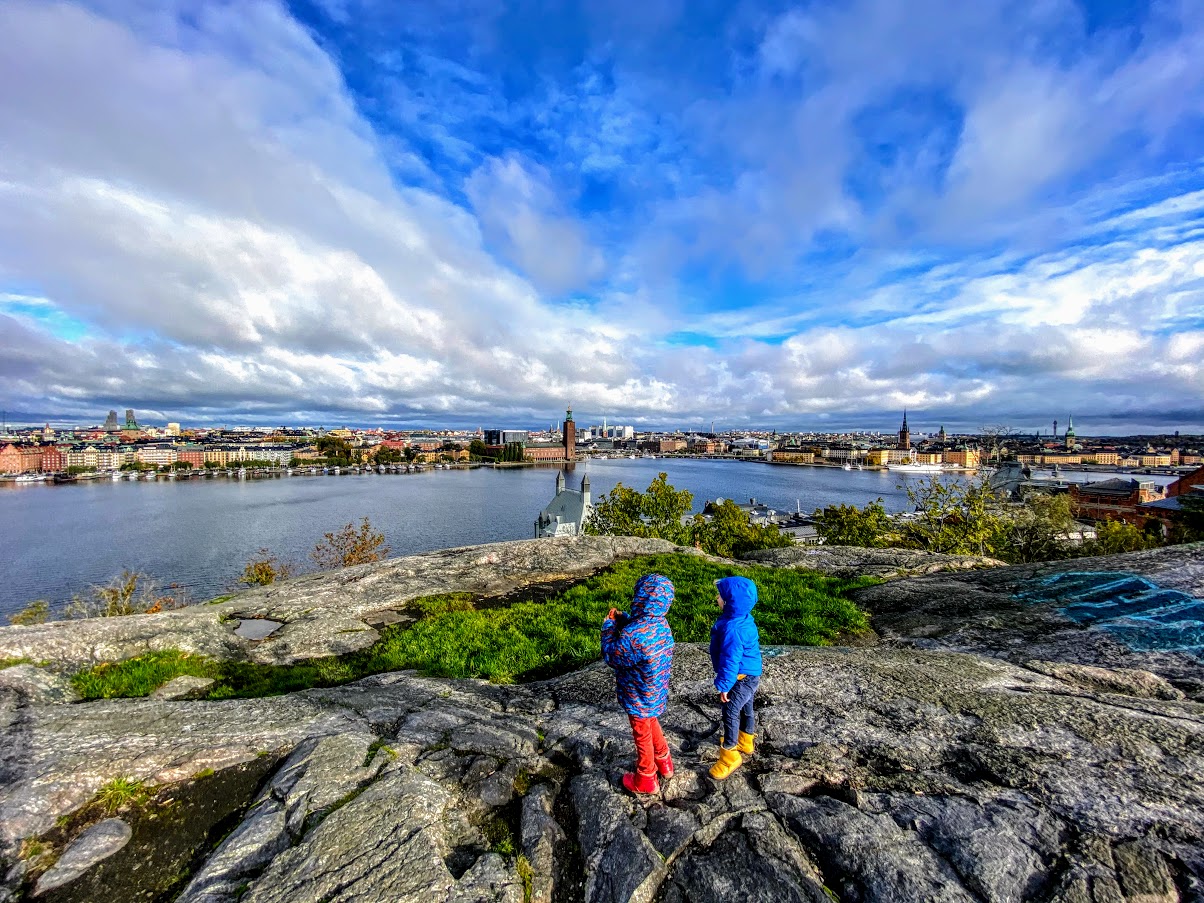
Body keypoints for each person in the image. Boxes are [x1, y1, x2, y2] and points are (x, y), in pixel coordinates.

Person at [601, 573, 676, 794]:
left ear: (640, 598)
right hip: (654, 690)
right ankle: (664, 761)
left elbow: (613, 655)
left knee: (641, 733)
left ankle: (646, 777)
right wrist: (624, 618)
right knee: (651, 721)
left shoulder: (634, 635)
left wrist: (608, 628)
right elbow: (642, 627)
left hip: (637, 693)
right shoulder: (661, 624)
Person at [709, 576, 763, 780]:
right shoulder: (742, 618)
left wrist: (724, 685)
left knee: (730, 711)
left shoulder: (733, 628)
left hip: (741, 676)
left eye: (721, 596)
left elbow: (731, 659)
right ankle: (746, 740)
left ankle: (729, 754)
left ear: (730, 603)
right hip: (750, 673)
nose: (717, 597)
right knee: (747, 707)